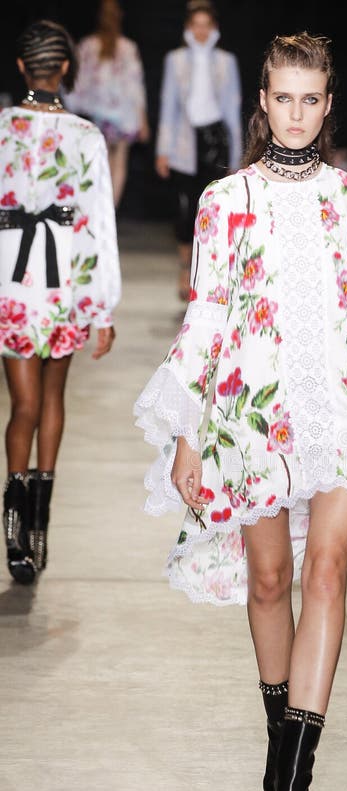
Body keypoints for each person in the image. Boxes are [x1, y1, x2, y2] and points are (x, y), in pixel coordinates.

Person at [134, 31, 347, 791]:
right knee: (269, 578)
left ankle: (294, 777)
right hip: (253, 415)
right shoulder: (225, 200)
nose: (294, 113)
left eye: (309, 99)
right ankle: (276, 732)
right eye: (281, 98)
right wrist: (185, 430)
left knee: (325, 571)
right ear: (263, 102)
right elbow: (208, 315)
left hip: (338, 413)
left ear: (328, 104)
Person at [0, 20, 120, 584]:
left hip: (13, 283)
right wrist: (103, 307)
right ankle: (40, 525)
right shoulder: (85, 135)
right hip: (66, 281)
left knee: (20, 405)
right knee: (52, 398)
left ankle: (14, 529)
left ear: (22, 67)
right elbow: (98, 224)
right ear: (65, 68)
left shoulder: (1, 129)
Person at [155, 0, 242, 300]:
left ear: (214, 28)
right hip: (184, 141)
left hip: (215, 140)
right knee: (184, 210)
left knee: (213, 208)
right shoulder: (175, 60)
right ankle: (185, 269)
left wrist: (236, 157)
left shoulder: (225, 61)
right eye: (197, 25)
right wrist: (162, 150)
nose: (202, 31)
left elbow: (233, 109)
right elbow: (168, 107)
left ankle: (206, 273)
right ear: (188, 29)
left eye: (207, 25)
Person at [65, 0, 149, 209]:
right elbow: (135, 88)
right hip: (123, 117)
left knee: (95, 163)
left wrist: (70, 111)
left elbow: (74, 85)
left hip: (96, 116)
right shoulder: (128, 47)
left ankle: (96, 211)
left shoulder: (86, 46)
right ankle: (108, 213)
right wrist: (142, 120)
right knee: (118, 162)